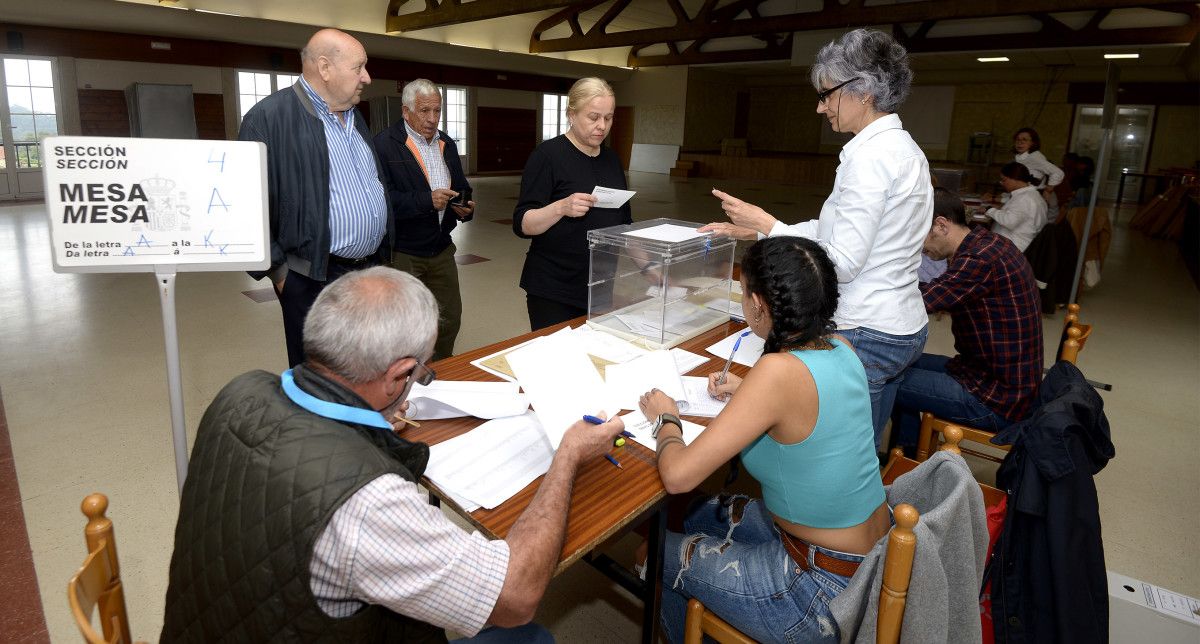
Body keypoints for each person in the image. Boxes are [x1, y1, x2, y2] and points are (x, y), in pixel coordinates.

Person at [161, 267, 625, 642]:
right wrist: (566, 456)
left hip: (214, 621)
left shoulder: (237, 392)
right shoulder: (366, 503)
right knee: (529, 636)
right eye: (420, 373)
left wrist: (372, 424)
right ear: (398, 374)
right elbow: (515, 596)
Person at [637, 237, 890, 644]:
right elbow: (809, 410)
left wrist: (666, 418)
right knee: (695, 513)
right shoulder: (841, 347)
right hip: (866, 557)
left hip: (819, 590)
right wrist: (746, 390)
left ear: (758, 303)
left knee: (653, 552)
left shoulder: (776, 372)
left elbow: (678, 475)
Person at [701, 28, 931, 449]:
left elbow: (840, 261)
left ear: (863, 91)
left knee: (845, 455)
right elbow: (835, 230)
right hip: (899, 323)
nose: (821, 106)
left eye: (827, 94)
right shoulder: (901, 147)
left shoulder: (871, 158)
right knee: (869, 444)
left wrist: (769, 227)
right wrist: (764, 226)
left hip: (868, 329)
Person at [240, 28, 390, 367]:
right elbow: (247, 208)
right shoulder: (267, 118)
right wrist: (279, 273)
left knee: (365, 365)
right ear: (324, 68)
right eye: (359, 68)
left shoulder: (354, 116)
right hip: (311, 278)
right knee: (319, 374)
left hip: (366, 271)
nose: (367, 77)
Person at [891, 188, 1043, 448]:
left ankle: (905, 461)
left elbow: (921, 302)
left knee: (886, 378)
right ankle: (907, 453)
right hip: (989, 376)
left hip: (997, 400)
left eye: (918, 237)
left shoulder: (979, 259)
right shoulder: (986, 243)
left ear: (941, 225)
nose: (918, 247)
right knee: (901, 363)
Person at [513, 77, 631, 330]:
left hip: (599, 285)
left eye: (608, 118)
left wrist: (654, 269)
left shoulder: (612, 160)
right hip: (554, 288)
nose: (602, 126)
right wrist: (561, 207)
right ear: (571, 114)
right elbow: (522, 224)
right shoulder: (547, 156)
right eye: (593, 117)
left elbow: (625, 225)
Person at [375, 78, 476, 361]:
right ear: (406, 112)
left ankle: (441, 373)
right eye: (424, 111)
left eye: (437, 111)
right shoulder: (384, 145)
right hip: (404, 252)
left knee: (449, 319)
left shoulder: (446, 143)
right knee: (407, 327)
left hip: (442, 248)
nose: (432, 119)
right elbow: (383, 201)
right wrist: (426, 201)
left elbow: (460, 183)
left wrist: (465, 207)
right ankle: (408, 382)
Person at [987, 161, 1047, 252]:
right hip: (1016, 241)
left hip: (1012, 246)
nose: (1002, 183)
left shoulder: (1024, 199)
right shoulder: (1031, 195)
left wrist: (989, 210)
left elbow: (1009, 222)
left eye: (1004, 180)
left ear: (1015, 179)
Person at [1012, 127, 1064, 200]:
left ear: (1033, 143)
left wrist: (1048, 190)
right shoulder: (1021, 156)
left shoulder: (1035, 157)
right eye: (1018, 139)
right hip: (1022, 194)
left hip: (1032, 196)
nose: (1020, 142)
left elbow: (1058, 172)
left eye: (1024, 139)